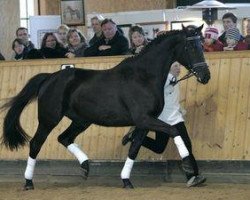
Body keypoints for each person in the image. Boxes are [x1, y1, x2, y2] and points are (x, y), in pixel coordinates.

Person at [122, 62, 206, 187]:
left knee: (161, 147)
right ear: (168, 67)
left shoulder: (174, 79)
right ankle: (192, 176)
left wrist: (180, 109)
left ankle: (133, 136)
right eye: (175, 66)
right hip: (163, 120)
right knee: (179, 145)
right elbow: (164, 85)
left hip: (175, 118)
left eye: (179, 66)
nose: (179, 68)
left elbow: (171, 97)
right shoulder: (165, 79)